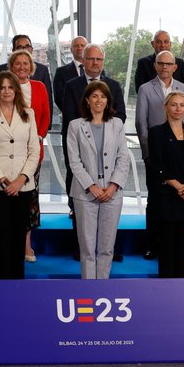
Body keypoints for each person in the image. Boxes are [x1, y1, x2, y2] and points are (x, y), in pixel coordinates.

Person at [61, 43, 127, 255]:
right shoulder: (72, 86)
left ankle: (108, 247)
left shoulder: (114, 86)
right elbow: (69, 118)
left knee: (107, 223)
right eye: (90, 59)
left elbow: (121, 116)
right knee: (80, 208)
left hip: (108, 151)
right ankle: (79, 245)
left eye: (99, 59)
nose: (95, 63)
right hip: (81, 151)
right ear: (83, 60)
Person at [0, 71, 41, 280]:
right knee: (1, 235)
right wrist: (4, 181)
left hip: (23, 184)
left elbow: (35, 150)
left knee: (17, 235)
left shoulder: (28, 113)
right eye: (2, 87)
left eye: (10, 87)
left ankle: (16, 283)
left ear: (16, 90)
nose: (6, 91)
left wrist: (21, 179)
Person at [134, 50, 184, 260]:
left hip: (183, 159)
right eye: (160, 63)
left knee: (180, 203)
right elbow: (141, 124)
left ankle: (179, 248)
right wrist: (148, 155)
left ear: (175, 67)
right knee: (155, 203)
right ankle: (153, 244)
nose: (164, 67)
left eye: (168, 64)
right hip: (156, 157)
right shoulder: (145, 89)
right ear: (155, 65)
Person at [65, 80, 131, 279]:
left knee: (106, 248)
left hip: (112, 193)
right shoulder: (75, 126)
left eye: (103, 96)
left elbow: (123, 157)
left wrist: (112, 187)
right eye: (94, 96)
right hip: (85, 193)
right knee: (86, 248)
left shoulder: (117, 124)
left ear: (108, 100)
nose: (99, 100)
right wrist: (91, 186)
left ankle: (102, 287)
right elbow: (74, 161)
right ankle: (89, 288)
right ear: (87, 100)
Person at [146, 91, 184, 278]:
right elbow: (157, 165)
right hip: (167, 198)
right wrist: (179, 186)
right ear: (166, 107)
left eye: (182, 105)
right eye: (173, 105)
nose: (178, 108)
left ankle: (182, 289)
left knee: (183, 247)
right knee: (167, 247)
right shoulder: (156, 133)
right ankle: (166, 292)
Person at [7, 48, 50, 263]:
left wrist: (36, 139)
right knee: (9, 199)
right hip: (8, 154)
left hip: (33, 153)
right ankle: (9, 244)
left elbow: (45, 118)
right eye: (17, 63)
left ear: (31, 66)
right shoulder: (5, 86)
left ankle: (26, 245)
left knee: (30, 200)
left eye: (26, 63)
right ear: (11, 66)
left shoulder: (39, 87)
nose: (22, 67)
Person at [52, 35, 89, 118]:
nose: (79, 48)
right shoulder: (61, 72)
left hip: (95, 121)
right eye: (76, 46)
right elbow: (58, 98)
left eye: (82, 45)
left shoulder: (97, 71)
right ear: (71, 49)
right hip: (71, 121)